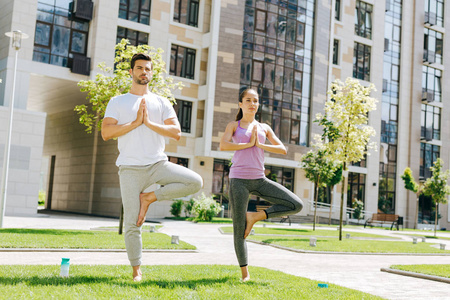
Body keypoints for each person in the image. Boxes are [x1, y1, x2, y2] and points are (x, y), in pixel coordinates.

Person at [102, 53, 203, 282]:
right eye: (139, 68)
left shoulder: (162, 102)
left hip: (158, 164)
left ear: (152, 73)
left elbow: (176, 133)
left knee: (195, 181)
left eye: (147, 69)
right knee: (132, 223)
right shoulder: (117, 101)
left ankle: (149, 198)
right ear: (131, 72)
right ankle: (136, 270)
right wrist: (135, 123)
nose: (144, 72)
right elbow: (106, 132)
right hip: (130, 169)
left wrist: (148, 123)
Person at [219, 88, 303, 282]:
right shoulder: (234, 125)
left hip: (259, 179)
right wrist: (248, 145)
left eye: (255, 100)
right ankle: (245, 274)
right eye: (248, 100)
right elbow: (224, 145)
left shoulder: (264, 127)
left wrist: (260, 144)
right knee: (239, 229)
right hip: (238, 180)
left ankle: (255, 216)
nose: (252, 104)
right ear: (240, 104)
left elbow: (282, 149)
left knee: (296, 204)